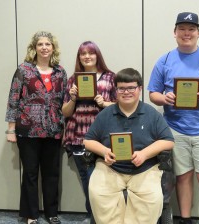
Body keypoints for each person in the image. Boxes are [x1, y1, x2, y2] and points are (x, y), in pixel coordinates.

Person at [147, 12, 199, 224]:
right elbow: (152, 94)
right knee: (183, 178)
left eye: (191, 29)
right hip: (175, 130)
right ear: (174, 33)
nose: (187, 33)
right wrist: (165, 98)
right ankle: (185, 220)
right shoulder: (164, 60)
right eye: (182, 29)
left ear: (198, 33)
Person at [83, 68, 174, 224]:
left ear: (139, 89)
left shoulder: (151, 114)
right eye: (121, 88)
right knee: (97, 193)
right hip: (110, 167)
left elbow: (168, 140)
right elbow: (88, 141)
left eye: (131, 88)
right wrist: (105, 151)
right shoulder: (106, 114)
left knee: (152, 199)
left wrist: (144, 154)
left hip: (144, 168)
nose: (126, 92)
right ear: (116, 90)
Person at [5, 31, 67, 224]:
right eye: (40, 44)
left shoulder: (60, 72)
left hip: (53, 130)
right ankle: (31, 214)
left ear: (53, 48)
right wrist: (11, 129)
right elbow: (13, 98)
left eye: (48, 44)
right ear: (34, 48)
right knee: (30, 173)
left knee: (51, 173)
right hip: (27, 130)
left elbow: (64, 102)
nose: (44, 47)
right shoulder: (24, 70)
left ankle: (51, 212)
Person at [62, 41, 117, 223]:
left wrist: (104, 103)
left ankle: (103, 216)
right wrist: (73, 99)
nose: (87, 57)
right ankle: (92, 215)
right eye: (82, 54)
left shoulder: (110, 78)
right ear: (79, 57)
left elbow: (122, 105)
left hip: (103, 136)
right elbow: (65, 112)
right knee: (86, 178)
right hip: (77, 135)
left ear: (97, 55)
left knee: (101, 178)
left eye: (91, 53)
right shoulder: (73, 80)